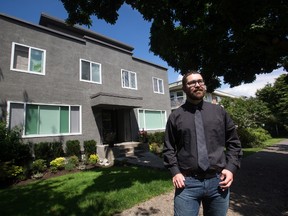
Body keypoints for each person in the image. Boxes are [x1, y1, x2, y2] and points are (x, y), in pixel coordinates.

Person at [163, 71, 242, 216]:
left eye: (200, 81)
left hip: (219, 182)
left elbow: (234, 143)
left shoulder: (219, 112)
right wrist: (175, 171)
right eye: (192, 82)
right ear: (184, 88)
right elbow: (168, 148)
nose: (197, 85)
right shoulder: (175, 116)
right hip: (187, 184)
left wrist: (231, 168)